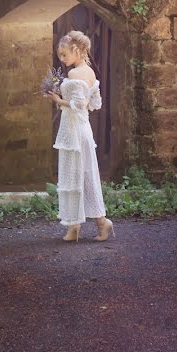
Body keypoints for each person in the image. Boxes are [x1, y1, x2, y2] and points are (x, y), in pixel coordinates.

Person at [44, 30, 114, 243]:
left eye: (64, 55)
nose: (62, 60)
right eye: (60, 56)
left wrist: (57, 99)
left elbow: (79, 105)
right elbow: (95, 103)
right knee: (85, 176)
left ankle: (87, 224)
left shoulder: (75, 75)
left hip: (74, 131)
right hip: (83, 130)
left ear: (76, 50)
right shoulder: (90, 71)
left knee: (74, 176)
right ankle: (82, 224)